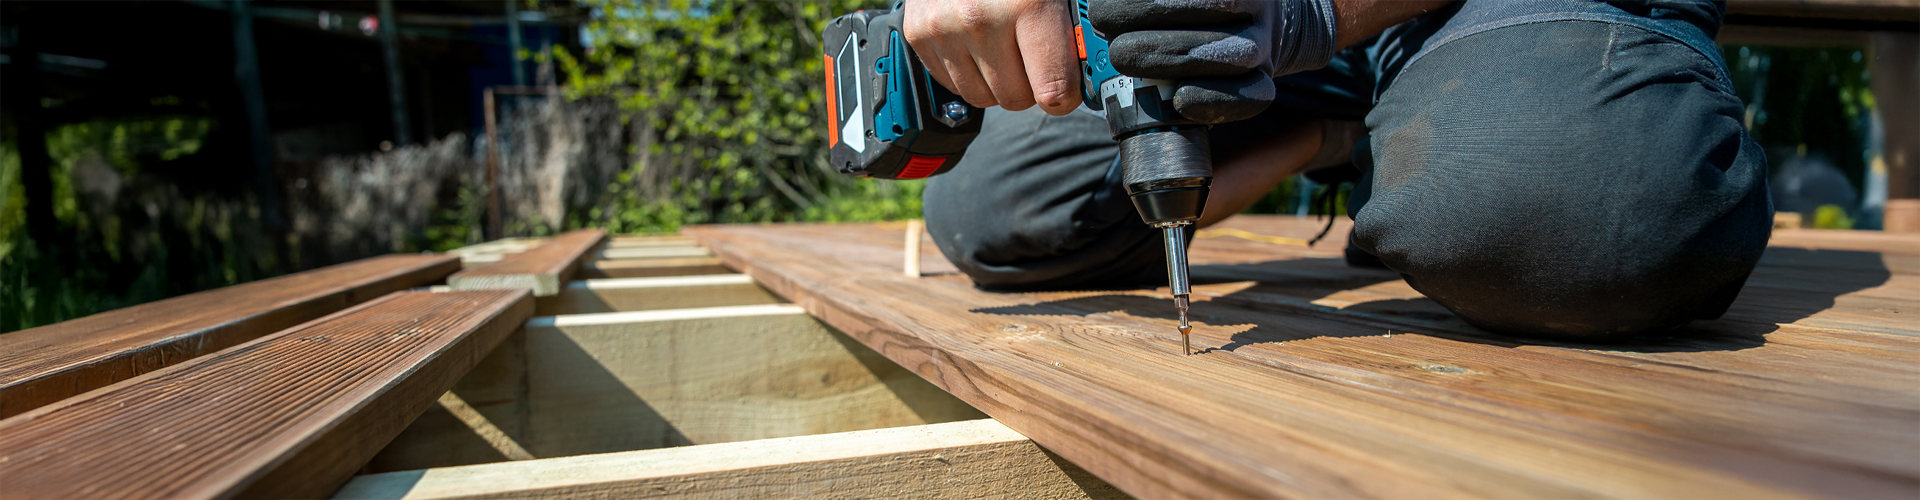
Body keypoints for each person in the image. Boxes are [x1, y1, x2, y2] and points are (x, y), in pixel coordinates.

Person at [902, 0, 1772, 341]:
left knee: (1584, 195)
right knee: (996, 205)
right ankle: (1344, 136)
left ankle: (1452, 107)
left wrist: (1314, 11)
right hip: (1257, 27)